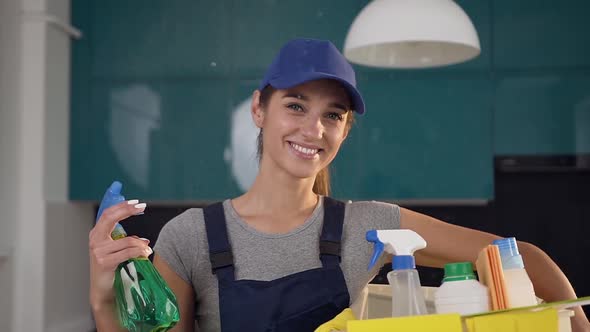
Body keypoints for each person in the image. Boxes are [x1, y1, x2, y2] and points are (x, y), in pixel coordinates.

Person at [89, 38, 590, 332]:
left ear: (345, 130)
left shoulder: (369, 225)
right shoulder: (190, 235)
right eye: (296, 105)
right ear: (259, 110)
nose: (314, 129)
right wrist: (104, 301)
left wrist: (574, 321)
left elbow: (522, 255)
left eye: (334, 114)